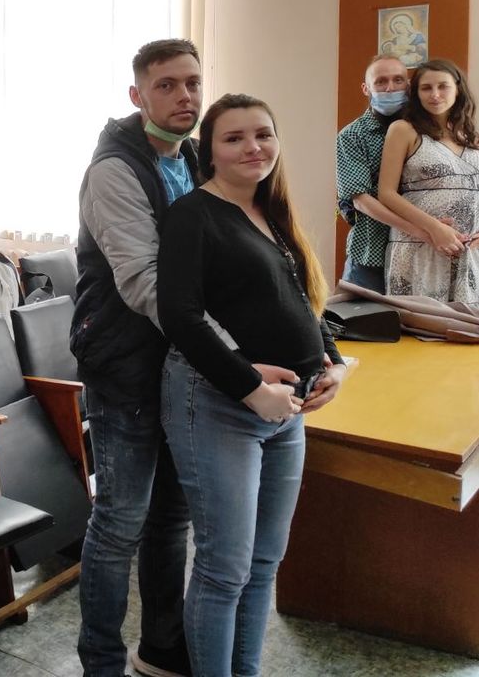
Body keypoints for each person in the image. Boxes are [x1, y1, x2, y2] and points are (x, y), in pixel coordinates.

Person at [158, 93, 347, 677]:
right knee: (224, 569)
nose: (252, 147)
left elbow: (303, 301)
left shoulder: (271, 209)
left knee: (265, 563)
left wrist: (334, 363)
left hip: (286, 409)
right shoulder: (193, 214)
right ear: (209, 151)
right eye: (234, 138)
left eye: (263, 134)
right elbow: (180, 317)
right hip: (218, 405)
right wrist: (249, 387)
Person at [72, 38, 199, 677]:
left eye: (192, 83)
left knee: (172, 517)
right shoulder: (114, 170)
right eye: (166, 85)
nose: (184, 96)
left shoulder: (195, 156)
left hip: (182, 362)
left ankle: (160, 645)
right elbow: (144, 282)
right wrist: (226, 349)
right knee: (121, 520)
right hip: (124, 363)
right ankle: (100, 660)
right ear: (137, 95)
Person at [377, 58, 479, 301]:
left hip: (469, 251)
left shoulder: (471, 136)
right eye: (426, 88)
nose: (435, 94)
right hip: (419, 246)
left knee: (467, 324)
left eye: (443, 86)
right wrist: (434, 228)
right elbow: (386, 194)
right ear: (416, 93)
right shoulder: (403, 130)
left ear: (457, 89)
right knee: (421, 322)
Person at [335, 54, 437, 294]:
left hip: (427, 254)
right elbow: (360, 200)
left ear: (408, 85)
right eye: (381, 82)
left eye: (398, 80)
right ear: (366, 88)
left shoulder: (429, 131)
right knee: (365, 317)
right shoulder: (352, 136)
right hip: (371, 254)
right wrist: (418, 231)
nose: (390, 88)